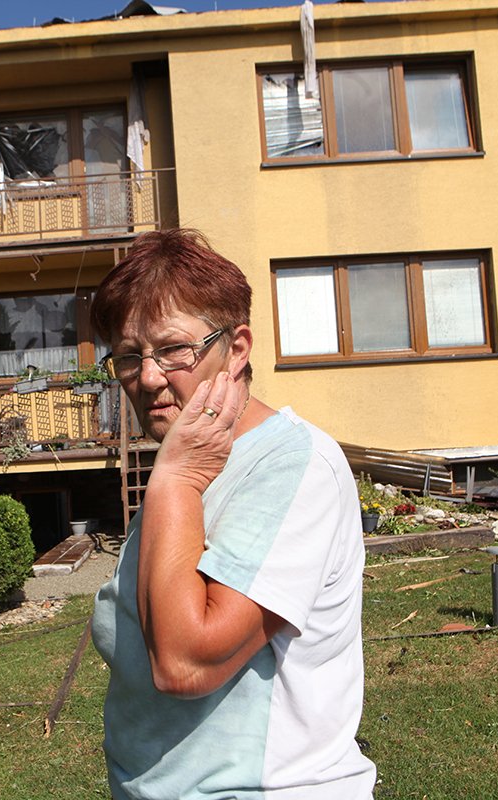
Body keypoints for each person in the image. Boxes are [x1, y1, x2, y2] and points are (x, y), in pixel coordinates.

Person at [90, 229, 376, 799]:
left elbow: (186, 664)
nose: (148, 378)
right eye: (128, 356)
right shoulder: (194, 457)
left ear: (237, 348)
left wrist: (172, 481)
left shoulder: (293, 466)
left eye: (174, 349)